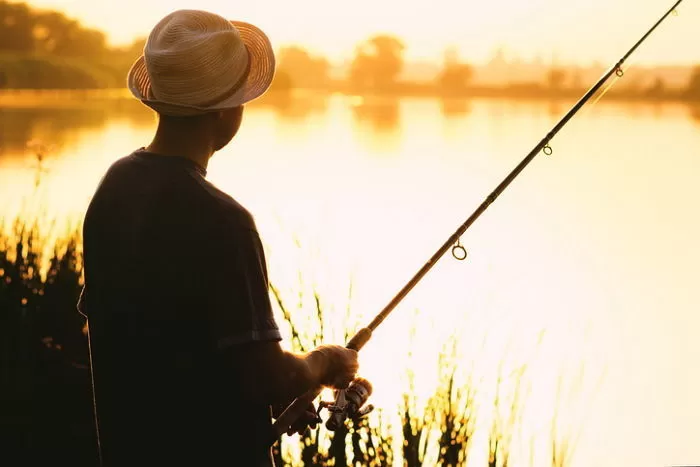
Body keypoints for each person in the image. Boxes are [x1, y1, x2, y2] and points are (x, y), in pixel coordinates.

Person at [78, 9, 359, 467]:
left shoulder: (114, 188)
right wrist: (321, 365)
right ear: (229, 107)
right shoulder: (224, 221)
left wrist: (285, 391)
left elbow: (146, 338)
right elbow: (267, 377)